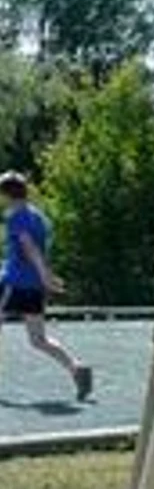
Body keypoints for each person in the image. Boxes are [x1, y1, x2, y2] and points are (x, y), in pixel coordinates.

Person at [0, 171, 94, 403]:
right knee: (38, 339)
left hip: (15, 282)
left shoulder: (16, 217)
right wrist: (48, 277)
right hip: (33, 286)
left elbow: (30, 248)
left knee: (34, 337)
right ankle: (76, 368)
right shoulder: (39, 217)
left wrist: (46, 277)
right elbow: (41, 251)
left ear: (7, 194)